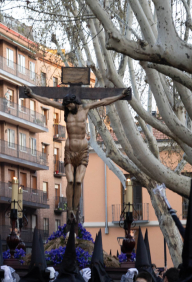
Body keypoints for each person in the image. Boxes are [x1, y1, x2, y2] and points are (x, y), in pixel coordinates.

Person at [23, 85, 129, 218]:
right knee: (70, 181)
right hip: (69, 150)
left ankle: (75, 209)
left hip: (82, 150)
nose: (67, 108)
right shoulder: (66, 109)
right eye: (66, 106)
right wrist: (32, 95)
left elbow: (103, 101)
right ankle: (70, 209)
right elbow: (47, 101)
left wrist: (120, 95)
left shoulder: (85, 109)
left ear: (75, 102)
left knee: (78, 181)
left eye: (69, 105)